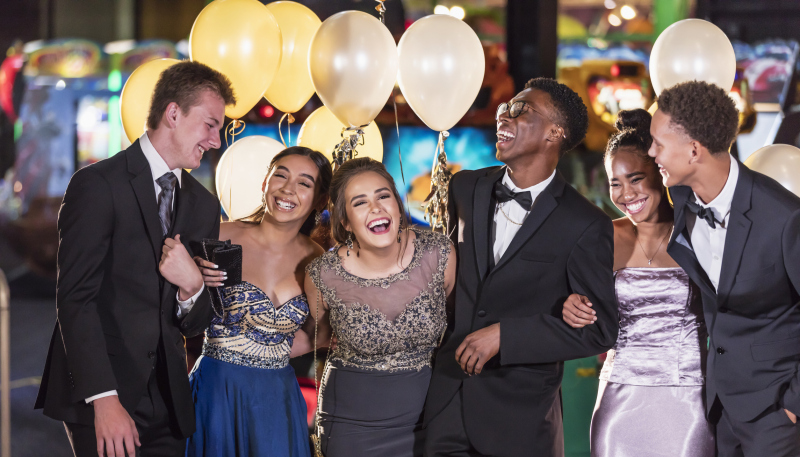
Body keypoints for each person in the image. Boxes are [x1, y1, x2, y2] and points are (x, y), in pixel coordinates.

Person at [35, 61, 235, 456]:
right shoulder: (96, 185)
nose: (216, 141)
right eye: (210, 125)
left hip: (169, 402)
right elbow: (75, 300)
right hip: (101, 393)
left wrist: (192, 286)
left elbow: (196, 322)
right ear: (173, 113)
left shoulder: (204, 205)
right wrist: (105, 400)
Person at [424, 77, 619, 457]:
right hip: (446, 402)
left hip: (520, 420)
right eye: (503, 109)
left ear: (554, 133)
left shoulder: (585, 223)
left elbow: (600, 331)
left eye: (519, 110)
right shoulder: (463, 188)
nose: (503, 116)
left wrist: (505, 336)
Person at [648, 81, 800, 456]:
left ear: (694, 150)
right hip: (717, 405)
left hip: (775, 411)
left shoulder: (784, 217)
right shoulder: (680, 195)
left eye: (659, 144)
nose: (651, 152)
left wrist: (794, 403)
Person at [562, 109, 714, 457]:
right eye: (615, 183)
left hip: (688, 398)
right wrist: (569, 304)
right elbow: (574, 300)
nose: (626, 194)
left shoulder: (699, 234)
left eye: (635, 179)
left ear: (661, 174)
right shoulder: (601, 237)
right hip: (619, 399)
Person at [185, 146, 332, 456]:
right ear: (265, 182)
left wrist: (270, 350)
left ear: (319, 199)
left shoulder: (316, 260)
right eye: (280, 175)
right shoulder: (221, 236)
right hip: (217, 389)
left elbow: (322, 332)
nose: (288, 189)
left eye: (304, 183)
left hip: (276, 397)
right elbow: (181, 309)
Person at [305, 157, 456, 456]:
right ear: (345, 221)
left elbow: (460, 322)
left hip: (432, 418)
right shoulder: (322, 274)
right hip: (350, 426)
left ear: (398, 206)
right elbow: (318, 337)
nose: (376, 208)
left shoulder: (439, 253)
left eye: (383, 196)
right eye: (360, 202)